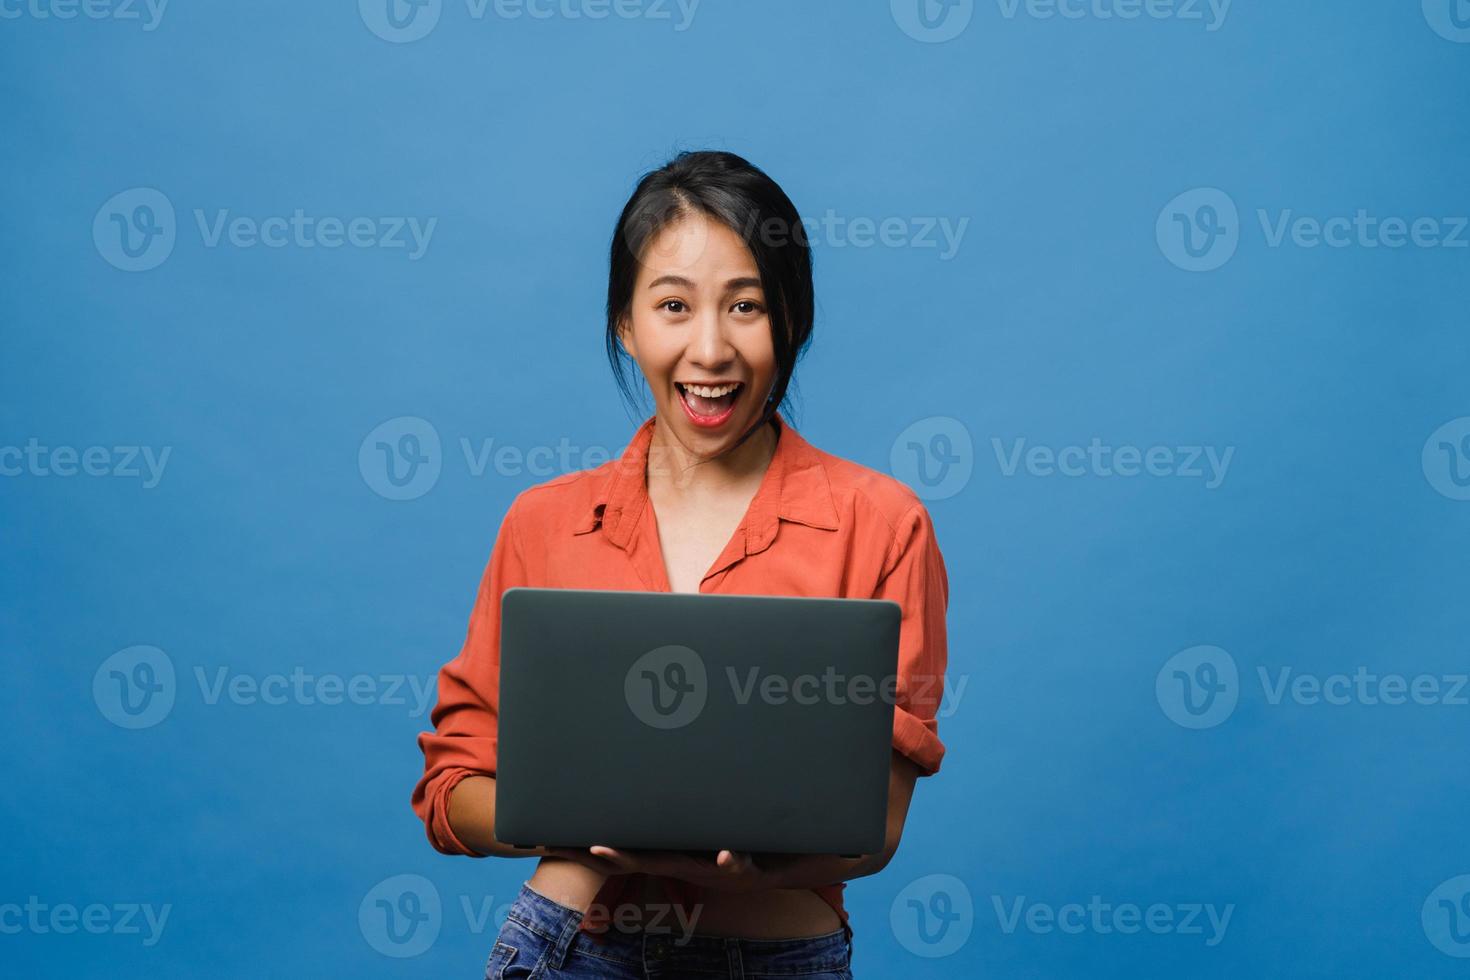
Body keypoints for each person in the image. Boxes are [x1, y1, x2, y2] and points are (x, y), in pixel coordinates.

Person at [412, 149, 950, 979]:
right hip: (570, 947)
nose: (711, 349)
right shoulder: (543, 523)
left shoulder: (883, 526)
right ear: (625, 325)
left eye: (746, 306)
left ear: (792, 321)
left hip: (775, 954)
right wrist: (583, 828)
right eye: (673, 305)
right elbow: (451, 790)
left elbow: (875, 828)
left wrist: (754, 860)